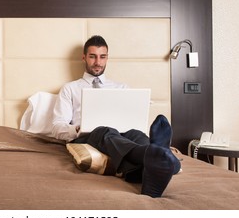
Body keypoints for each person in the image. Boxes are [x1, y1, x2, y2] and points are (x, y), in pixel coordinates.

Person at [51, 35, 181, 198]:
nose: (98, 62)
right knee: (104, 131)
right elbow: (56, 127)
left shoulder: (121, 87)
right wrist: (78, 128)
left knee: (136, 133)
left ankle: (151, 164)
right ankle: (163, 157)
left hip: (121, 134)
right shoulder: (69, 89)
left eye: (102, 57)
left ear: (107, 58)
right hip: (88, 136)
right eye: (92, 56)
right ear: (84, 57)